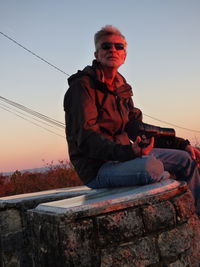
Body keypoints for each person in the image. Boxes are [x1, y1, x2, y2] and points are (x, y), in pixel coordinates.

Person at [64, 25, 200, 216]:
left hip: (125, 158)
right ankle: (165, 187)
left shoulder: (122, 87)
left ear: (124, 56)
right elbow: (86, 138)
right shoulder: (82, 88)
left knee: (187, 159)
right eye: (106, 46)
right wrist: (129, 152)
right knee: (151, 167)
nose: (113, 50)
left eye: (118, 46)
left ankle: (196, 217)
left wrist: (182, 144)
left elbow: (137, 128)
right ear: (97, 54)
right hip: (98, 168)